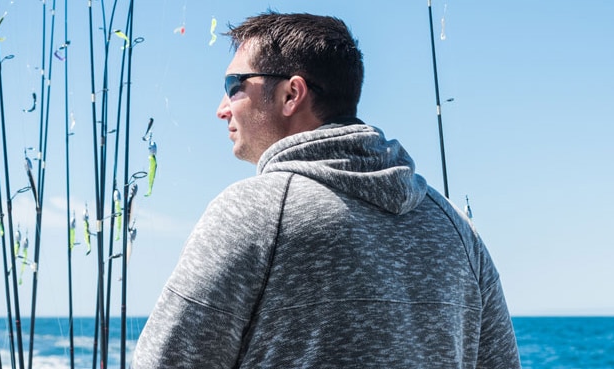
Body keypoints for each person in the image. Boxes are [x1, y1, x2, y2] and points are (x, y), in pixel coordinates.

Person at [134, 12, 521, 368]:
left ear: (291, 93)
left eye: (234, 86)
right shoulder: (456, 229)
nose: (222, 107)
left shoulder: (254, 212)